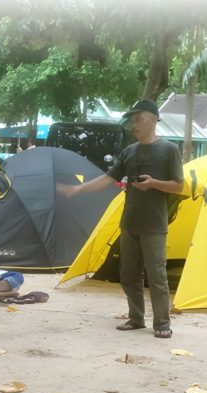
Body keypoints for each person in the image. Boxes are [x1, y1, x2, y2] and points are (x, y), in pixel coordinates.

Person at [57, 99, 184, 339]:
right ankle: (136, 318)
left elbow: (179, 186)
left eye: (139, 119)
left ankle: (162, 323)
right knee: (129, 275)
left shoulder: (169, 149)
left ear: (153, 118)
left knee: (157, 276)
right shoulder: (129, 152)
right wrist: (78, 190)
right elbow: (107, 178)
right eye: (132, 120)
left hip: (155, 225)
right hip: (129, 223)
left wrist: (154, 184)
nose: (134, 124)